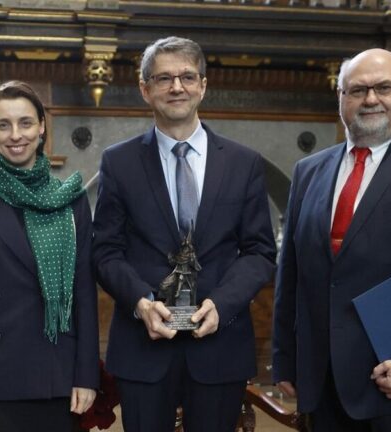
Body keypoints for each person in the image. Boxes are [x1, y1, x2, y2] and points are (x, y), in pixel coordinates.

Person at [92, 37, 276, 432]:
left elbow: (260, 251)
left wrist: (222, 305)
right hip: (144, 344)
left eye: (187, 77)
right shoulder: (118, 163)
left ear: (203, 85)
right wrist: (141, 302)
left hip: (219, 345)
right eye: (164, 78)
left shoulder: (244, 163)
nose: (177, 87)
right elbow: (105, 251)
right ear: (145, 89)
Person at [0, 80, 99, 432]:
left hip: (56, 373)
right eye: (3, 125)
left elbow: (85, 292)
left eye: (25, 123)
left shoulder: (71, 199)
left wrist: (87, 375)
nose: (15, 135)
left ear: (41, 127)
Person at [273, 48, 391, 431]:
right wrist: (284, 357)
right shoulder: (309, 171)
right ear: (341, 98)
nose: (371, 98)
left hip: (388, 378)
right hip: (320, 379)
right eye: (357, 90)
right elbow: (290, 274)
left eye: (384, 87)